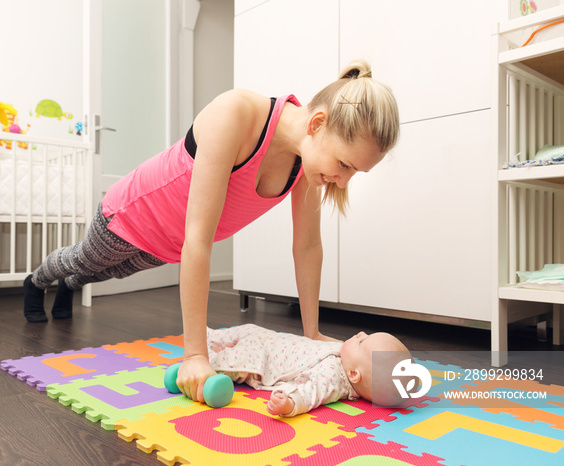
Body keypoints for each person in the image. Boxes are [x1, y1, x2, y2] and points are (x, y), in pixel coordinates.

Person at [22, 60, 400, 404]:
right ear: (317, 124)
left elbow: (307, 246)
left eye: (354, 172)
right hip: (131, 215)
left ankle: (70, 286)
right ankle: (38, 280)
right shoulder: (235, 114)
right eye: (345, 165)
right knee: (84, 260)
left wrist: (313, 334)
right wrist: (195, 356)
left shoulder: (307, 162)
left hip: (171, 245)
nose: (343, 179)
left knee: (106, 274)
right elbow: (199, 238)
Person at [207, 323, 411, 416]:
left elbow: (309, 393)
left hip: (263, 361)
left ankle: (201, 358)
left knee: (228, 361)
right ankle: (209, 335)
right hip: (273, 340)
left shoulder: (333, 378)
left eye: (362, 341)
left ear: (354, 375)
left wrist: (289, 403)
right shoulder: (349, 359)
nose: (360, 333)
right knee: (247, 330)